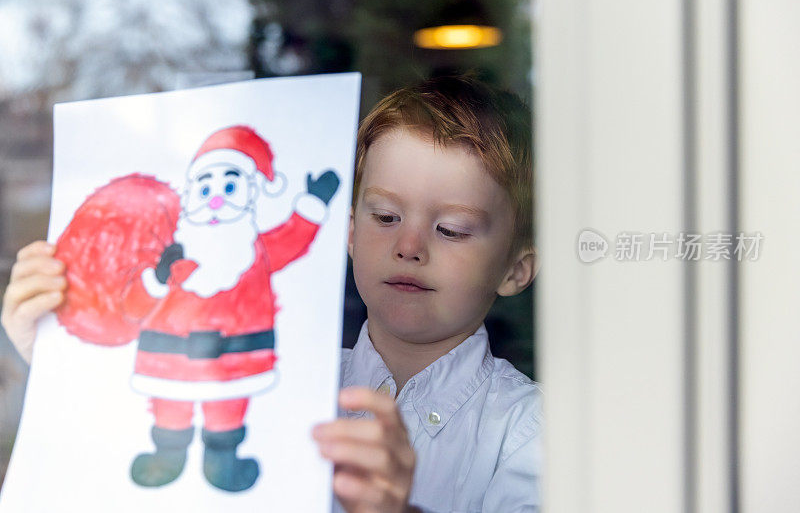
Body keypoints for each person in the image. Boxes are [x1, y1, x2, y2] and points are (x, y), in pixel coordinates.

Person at [2, 75, 541, 512]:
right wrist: (63, 364)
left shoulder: (532, 432)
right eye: (385, 216)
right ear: (348, 232)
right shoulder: (289, 381)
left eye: (451, 229)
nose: (409, 245)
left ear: (516, 269)